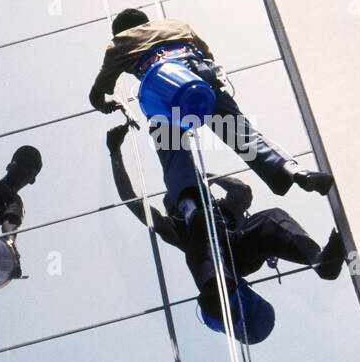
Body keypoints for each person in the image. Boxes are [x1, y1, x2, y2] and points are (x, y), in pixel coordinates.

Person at [89, 8, 334, 237]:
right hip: (198, 74)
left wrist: (107, 104)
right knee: (243, 135)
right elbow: (208, 54)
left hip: (163, 85)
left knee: (172, 149)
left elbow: (97, 93)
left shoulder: (120, 42)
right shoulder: (176, 24)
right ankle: (295, 171)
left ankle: (191, 207)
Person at [107, 124, 345, 341]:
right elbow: (131, 199)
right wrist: (115, 153)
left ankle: (321, 262)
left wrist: (209, 179)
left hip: (241, 250)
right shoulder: (175, 229)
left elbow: (242, 192)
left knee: (271, 220)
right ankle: (219, 295)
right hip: (226, 265)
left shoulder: (222, 209)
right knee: (202, 237)